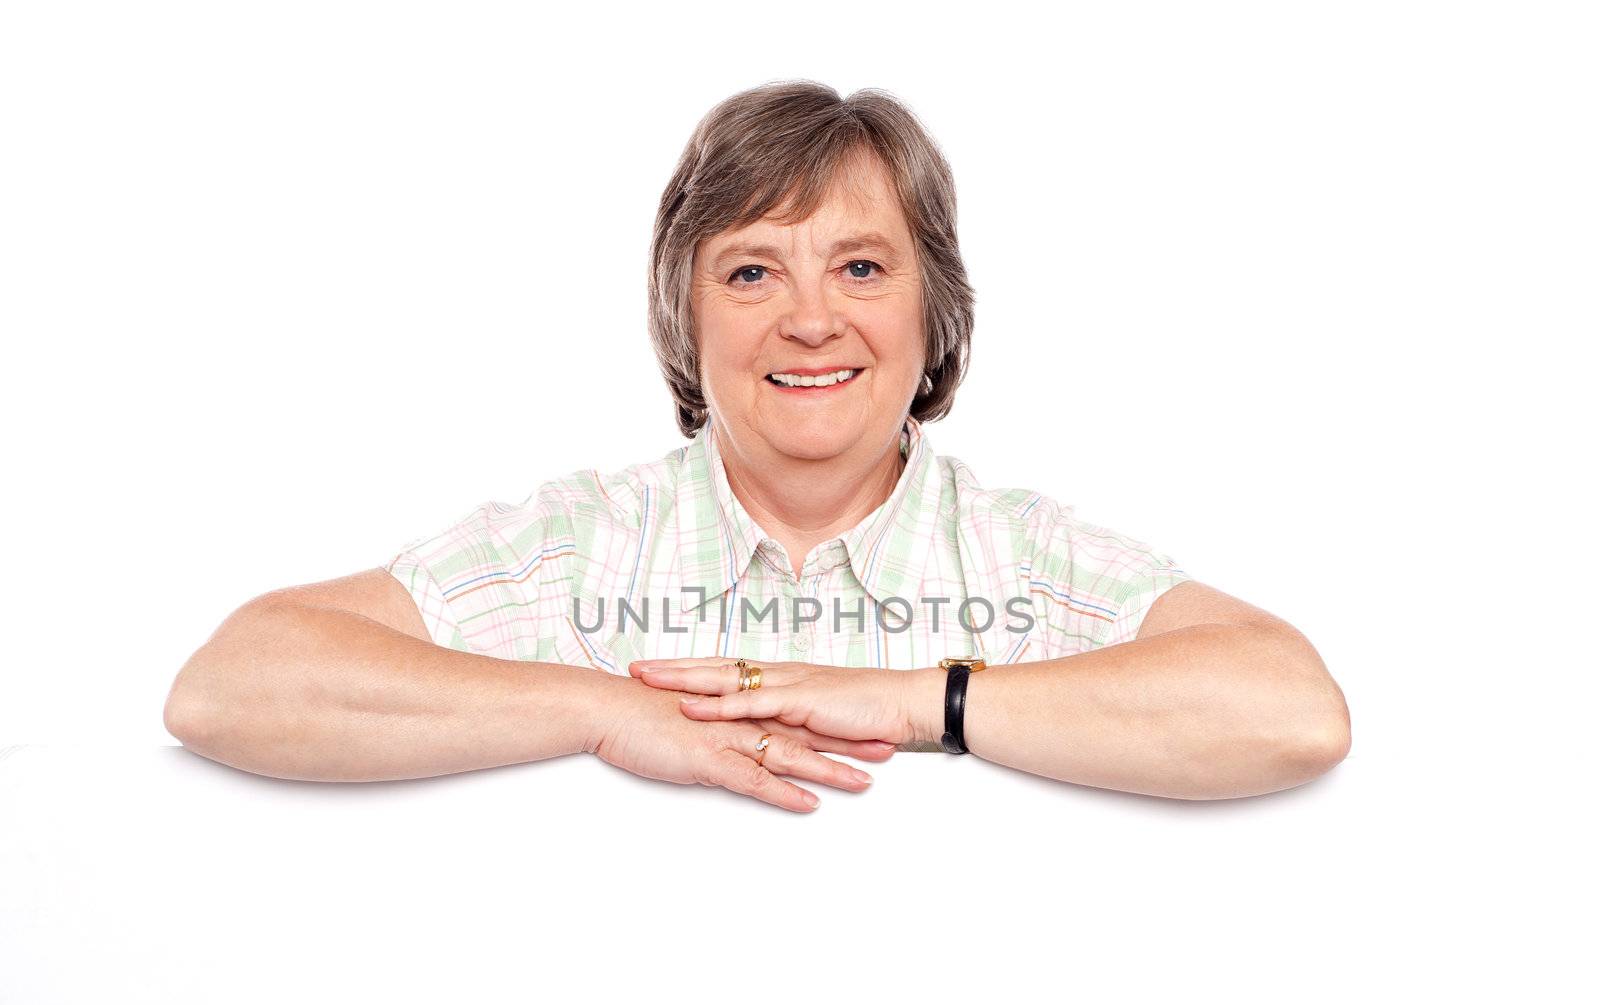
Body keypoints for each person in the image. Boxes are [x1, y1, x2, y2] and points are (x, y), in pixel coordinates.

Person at [163, 80, 1350, 810]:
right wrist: (596, 709)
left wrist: (911, 701)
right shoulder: (576, 546)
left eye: (862, 267)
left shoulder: (1023, 559)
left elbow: (1286, 712)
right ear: (682, 312)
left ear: (934, 306)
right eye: (749, 271)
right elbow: (232, 686)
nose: (811, 318)